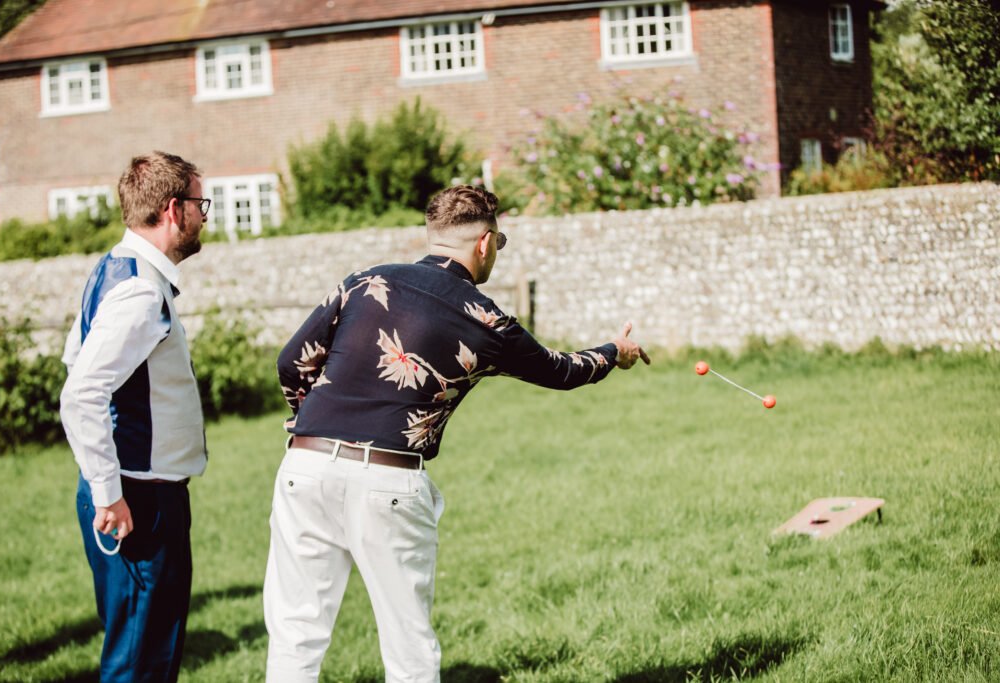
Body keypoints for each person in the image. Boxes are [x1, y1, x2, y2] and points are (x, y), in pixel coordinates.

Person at [264, 185, 649, 681]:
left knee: (296, 635)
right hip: (389, 481)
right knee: (409, 647)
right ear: (485, 243)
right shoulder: (486, 319)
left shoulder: (364, 281)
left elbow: (291, 362)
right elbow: (560, 370)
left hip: (305, 464)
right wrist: (614, 351)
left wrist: (309, 425)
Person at [60, 151, 210, 682]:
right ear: (174, 209)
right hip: (139, 499)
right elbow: (80, 393)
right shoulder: (140, 291)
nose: (203, 216)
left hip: (137, 491)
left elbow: (73, 359)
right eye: (200, 204)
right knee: (140, 662)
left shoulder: (114, 268)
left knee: (141, 652)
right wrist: (109, 492)